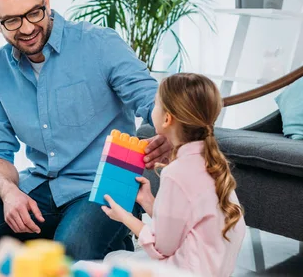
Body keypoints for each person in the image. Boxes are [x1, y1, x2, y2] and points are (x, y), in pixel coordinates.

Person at [0, 0, 172, 260]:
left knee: (73, 250)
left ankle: (101, 239)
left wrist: (169, 133)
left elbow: (152, 100)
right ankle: (51, 239)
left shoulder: (99, 44)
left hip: (105, 183)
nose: (26, 28)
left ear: (47, 4)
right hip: (41, 183)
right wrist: (10, 192)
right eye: (11, 20)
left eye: (33, 13)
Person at [101, 73, 246, 276]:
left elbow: (162, 247)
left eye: (155, 103)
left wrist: (124, 217)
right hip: (211, 270)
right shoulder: (213, 163)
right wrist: (148, 201)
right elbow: (184, 227)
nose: (153, 107)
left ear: (167, 118)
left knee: (110, 260)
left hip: (183, 272)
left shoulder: (176, 173)